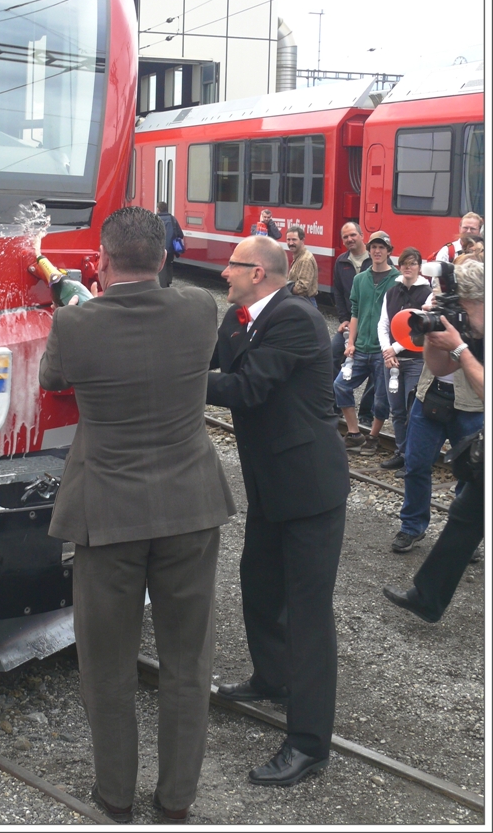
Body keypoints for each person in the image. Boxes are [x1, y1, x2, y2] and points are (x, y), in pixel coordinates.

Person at [40, 205, 235, 824]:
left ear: (101, 260)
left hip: (107, 513)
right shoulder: (200, 309)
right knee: (187, 663)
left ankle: (115, 798)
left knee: (108, 666)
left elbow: (52, 379)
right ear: (162, 259)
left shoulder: (74, 323)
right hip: (190, 507)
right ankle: (176, 801)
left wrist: (83, 303)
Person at [207, 236, 349, 787]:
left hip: (310, 489)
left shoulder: (297, 318)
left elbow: (247, 388)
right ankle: (274, 678)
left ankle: (309, 744)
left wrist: (170, 378)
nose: (223, 273)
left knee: (309, 614)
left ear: (259, 273)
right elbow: (211, 362)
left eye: (233, 266)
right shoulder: (238, 317)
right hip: (271, 486)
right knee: (259, 584)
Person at [384, 258, 484, 619]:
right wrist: (432, 337)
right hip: (436, 401)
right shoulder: (474, 329)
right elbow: (441, 367)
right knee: (465, 514)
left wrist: (459, 348)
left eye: (464, 308)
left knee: (468, 512)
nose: (461, 316)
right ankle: (427, 598)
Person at [334, 230, 399, 455]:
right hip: (360, 347)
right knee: (340, 385)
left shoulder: (397, 280)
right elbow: (355, 312)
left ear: (389, 251)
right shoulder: (360, 279)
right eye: (374, 247)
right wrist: (350, 343)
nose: (377, 251)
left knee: (381, 399)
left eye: (382, 247)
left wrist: (394, 349)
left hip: (383, 350)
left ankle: (373, 437)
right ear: (369, 250)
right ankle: (354, 433)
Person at [377, 247, 430, 471]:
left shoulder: (427, 294)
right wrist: (386, 351)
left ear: (419, 267)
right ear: (399, 266)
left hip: (415, 361)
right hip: (392, 362)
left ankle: (412, 458)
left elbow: (421, 330)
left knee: (412, 412)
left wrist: (394, 349)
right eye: (404, 263)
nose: (408, 267)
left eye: (413, 263)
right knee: (396, 410)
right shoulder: (392, 292)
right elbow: (383, 324)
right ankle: (401, 452)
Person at [331, 222, 375, 424]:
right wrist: (343, 319)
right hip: (350, 324)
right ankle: (334, 405)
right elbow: (338, 293)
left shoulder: (375, 259)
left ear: (361, 235)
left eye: (352, 235)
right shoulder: (341, 262)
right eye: (345, 237)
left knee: (376, 367)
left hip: (372, 326)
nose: (349, 239)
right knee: (332, 354)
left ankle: (366, 414)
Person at [286, 225, 318, 305]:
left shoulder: (305, 260)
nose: (290, 243)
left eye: (294, 240)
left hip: (305, 301)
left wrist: (286, 288)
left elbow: (303, 288)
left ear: (302, 240)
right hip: (301, 301)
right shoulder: (299, 257)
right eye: (288, 239)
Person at [156, 200, 184, 288]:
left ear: (158, 209)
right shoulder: (172, 219)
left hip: (159, 248)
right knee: (169, 263)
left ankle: (164, 286)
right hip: (171, 248)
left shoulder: (155, 219)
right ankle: (168, 282)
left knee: (162, 266)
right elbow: (180, 234)